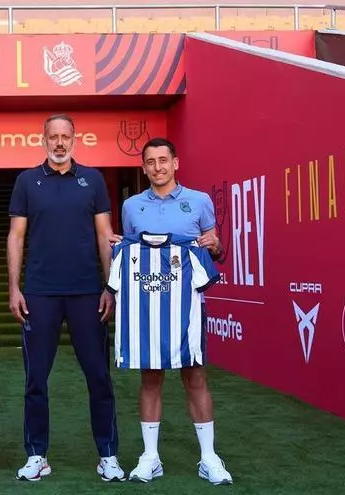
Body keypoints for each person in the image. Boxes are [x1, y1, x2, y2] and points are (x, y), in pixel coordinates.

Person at [7, 114, 124, 482]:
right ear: (43, 139)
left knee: (99, 378)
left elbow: (106, 234)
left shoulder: (94, 179)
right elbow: (16, 237)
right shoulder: (27, 181)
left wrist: (111, 287)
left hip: (88, 292)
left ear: (75, 139)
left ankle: (108, 455)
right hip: (40, 293)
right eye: (53, 137)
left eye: (65, 137)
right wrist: (14, 287)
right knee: (35, 380)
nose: (59, 143)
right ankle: (37, 455)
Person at [117, 137, 233, 485]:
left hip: (187, 305)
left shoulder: (199, 201)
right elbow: (130, 255)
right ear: (144, 167)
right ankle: (151, 457)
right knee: (150, 377)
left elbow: (218, 251)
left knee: (194, 375)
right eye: (150, 162)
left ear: (175, 162)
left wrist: (216, 244)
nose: (157, 167)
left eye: (163, 160)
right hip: (148, 305)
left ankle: (209, 458)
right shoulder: (132, 206)